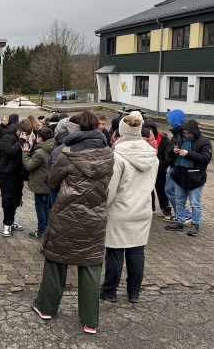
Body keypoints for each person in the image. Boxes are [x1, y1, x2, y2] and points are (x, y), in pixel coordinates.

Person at [32, 111, 114, 335]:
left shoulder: (66, 153)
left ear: (75, 129)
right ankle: (90, 321)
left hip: (67, 215)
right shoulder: (108, 154)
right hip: (95, 216)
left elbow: (51, 183)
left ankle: (46, 308)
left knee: (56, 262)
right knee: (90, 267)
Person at [100, 114, 158, 304]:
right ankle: (134, 292)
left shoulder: (117, 156)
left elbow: (110, 189)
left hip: (120, 211)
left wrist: (102, 207)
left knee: (115, 252)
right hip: (142, 209)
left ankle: (109, 290)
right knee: (136, 251)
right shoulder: (152, 156)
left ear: (121, 132)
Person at [165, 120, 212, 236]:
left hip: (195, 177)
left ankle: (195, 225)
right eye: (184, 133)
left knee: (195, 203)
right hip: (179, 175)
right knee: (179, 201)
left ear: (194, 132)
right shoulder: (179, 139)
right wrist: (174, 151)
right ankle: (180, 222)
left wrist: (188, 154)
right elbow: (169, 154)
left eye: (188, 133)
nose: (186, 135)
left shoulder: (204, 141)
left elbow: (206, 159)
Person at [0, 117, 33, 237]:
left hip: (17, 174)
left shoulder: (21, 138)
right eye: (25, 134)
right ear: (20, 130)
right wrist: (21, 141)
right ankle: (6, 225)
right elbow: (10, 151)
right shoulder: (7, 137)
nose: (26, 136)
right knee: (8, 199)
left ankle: (11, 221)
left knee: (17, 199)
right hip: (6, 174)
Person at [22, 127, 55, 239]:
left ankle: (41, 231)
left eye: (37, 136)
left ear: (41, 138)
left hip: (40, 184)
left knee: (40, 207)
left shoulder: (40, 152)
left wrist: (25, 153)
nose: (36, 138)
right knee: (46, 206)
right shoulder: (54, 147)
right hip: (49, 182)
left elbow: (29, 166)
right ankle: (46, 229)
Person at [163, 109, 192, 223]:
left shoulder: (180, 135)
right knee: (172, 191)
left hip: (176, 168)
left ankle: (185, 214)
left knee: (169, 190)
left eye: (169, 119)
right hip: (173, 167)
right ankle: (181, 214)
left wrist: (165, 163)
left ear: (175, 120)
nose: (167, 121)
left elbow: (176, 153)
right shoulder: (177, 134)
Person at [143, 118, 172, 217]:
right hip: (147, 169)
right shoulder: (142, 138)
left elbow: (167, 156)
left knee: (162, 190)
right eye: (147, 129)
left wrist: (161, 167)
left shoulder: (163, 139)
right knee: (148, 190)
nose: (149, 131)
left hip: (160, 169)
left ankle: (165, 208)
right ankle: (150, 208)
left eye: (151, 129)